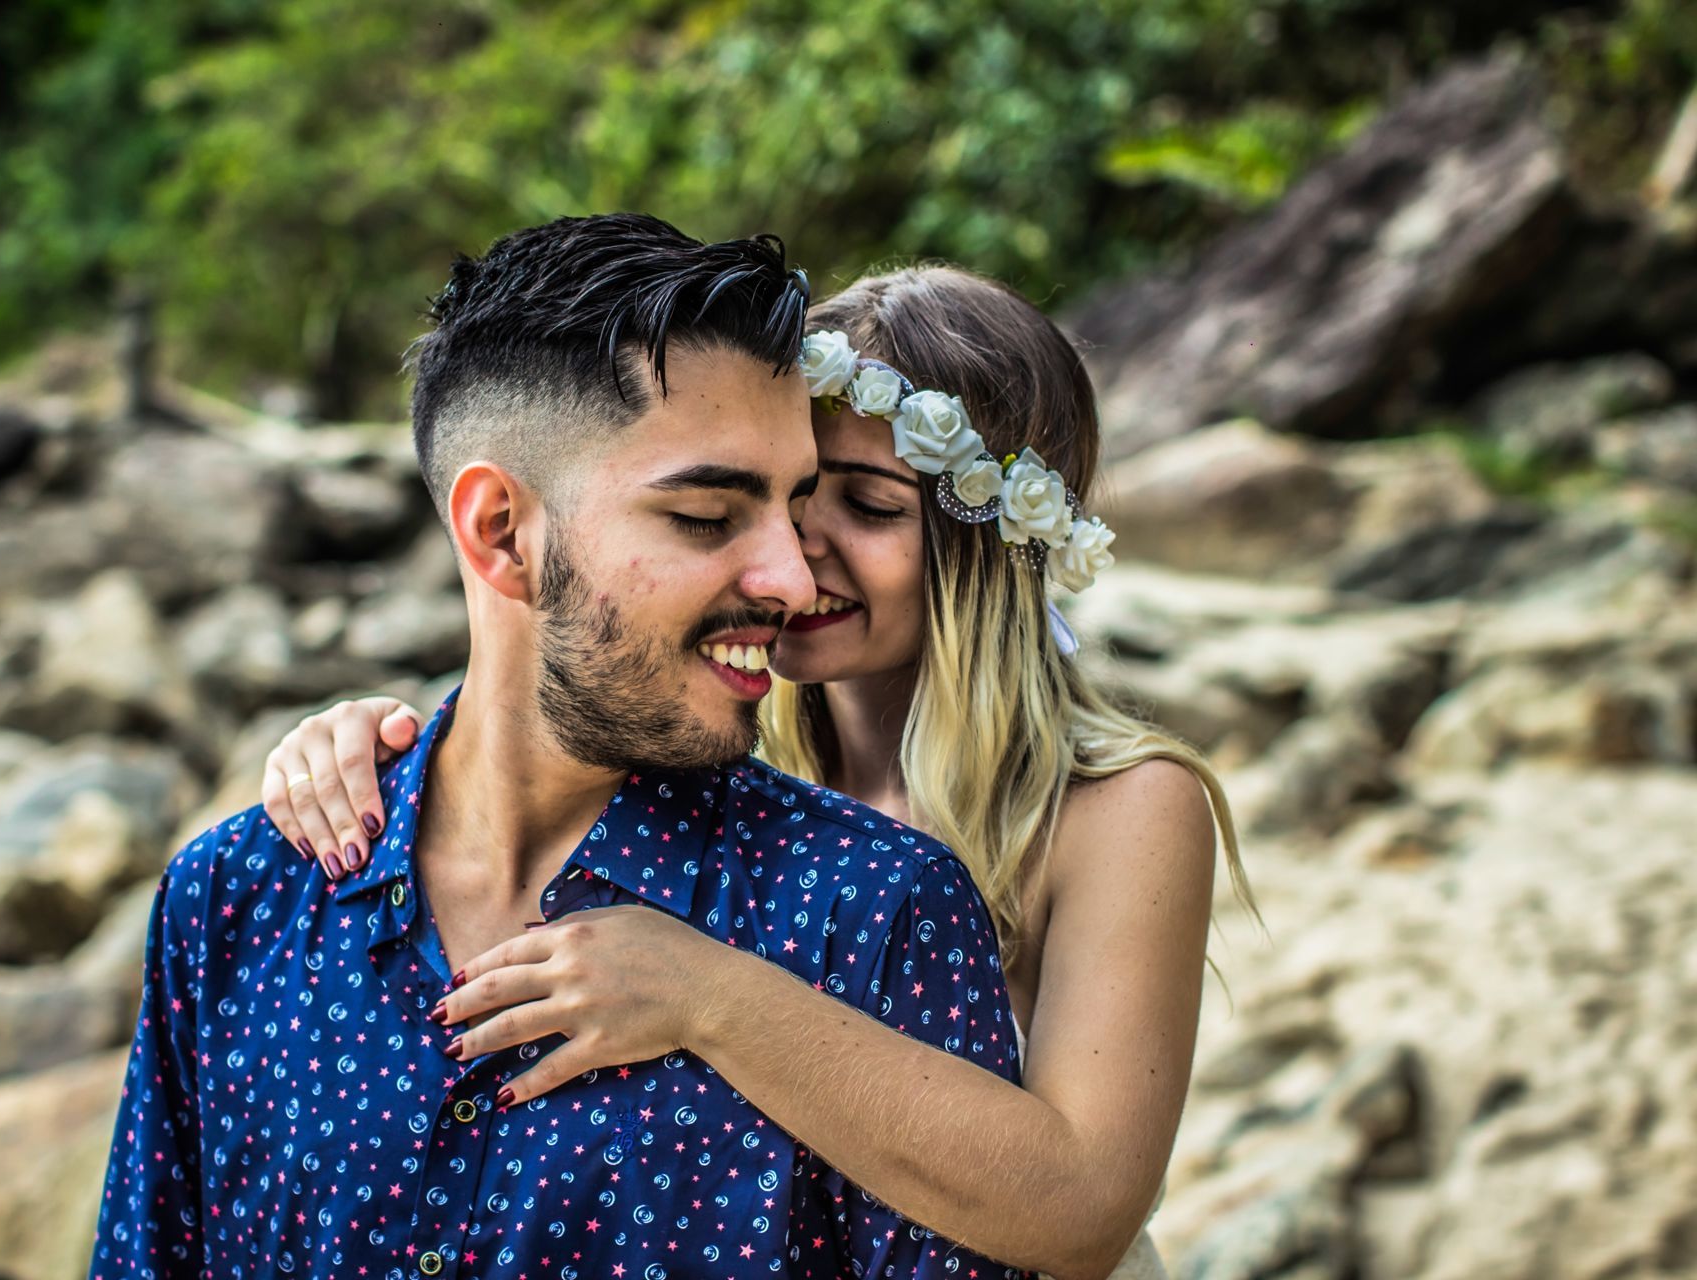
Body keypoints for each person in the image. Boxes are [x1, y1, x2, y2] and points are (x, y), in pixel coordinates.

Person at [263, 263, 1263, 1280]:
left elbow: (1084, 1206)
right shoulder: (710, 751)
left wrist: (713, 996)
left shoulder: (1120, 806)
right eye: (789, 496)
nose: (792, 554)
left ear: (991, 546)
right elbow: (538, 702)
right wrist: (378, 748)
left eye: (869, 507)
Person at [88, 214, 1031, 1280]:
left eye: (797, 506)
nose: (793, 579)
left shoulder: (875, 914)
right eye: (708, 515)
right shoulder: (234, 896)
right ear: (500, 532)